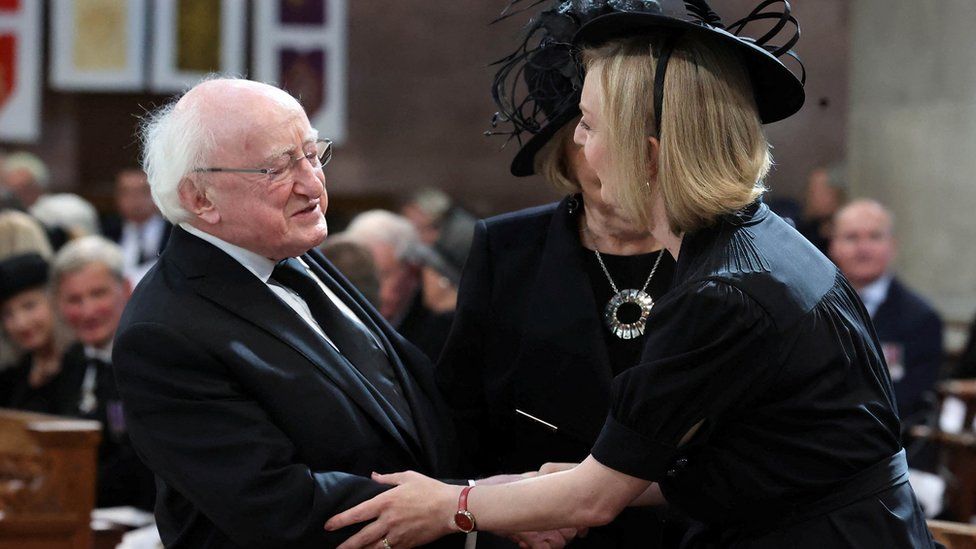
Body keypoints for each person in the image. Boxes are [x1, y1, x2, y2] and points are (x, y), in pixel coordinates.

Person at [324, 2, 938, 548]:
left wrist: (449, 506)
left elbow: (597, 499)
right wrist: (542, 485)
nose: (579, 147)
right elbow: (762, 456)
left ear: (648, 154)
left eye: (588, 125)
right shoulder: (750, 241)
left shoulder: (725, 290)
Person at [112, 77, 462, 548]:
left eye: (313, 155)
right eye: (278, 168)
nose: (311, 183)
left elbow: (405, 404)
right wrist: (466, 510)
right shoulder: (162, 332)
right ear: (200, 199)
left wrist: (506, 491)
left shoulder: (294, 249)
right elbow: (278, 505)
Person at [438, 1, 676, 546]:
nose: (605, 158)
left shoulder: (722, 255)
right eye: (589, 132)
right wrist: (503, 512)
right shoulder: (506, 247)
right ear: (565, 149)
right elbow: (461, 410)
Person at [51, 236, 156, 510]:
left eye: (98, 294)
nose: (87, 311)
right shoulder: (69, 363)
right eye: (74, 299)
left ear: (126, 289)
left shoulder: (151, 363)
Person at [829, 199, 943, 426]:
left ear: (892, 245)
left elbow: (908, 399)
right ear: (833, 245)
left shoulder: (920, 319)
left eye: (874, 237)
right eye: (852, 237)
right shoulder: (813, 308)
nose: (863, 248)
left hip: (889, 441)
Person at [342, 210, 456, 361]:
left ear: (412, 270)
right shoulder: (343, 320)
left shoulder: (444, 330)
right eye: (362, 277)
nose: (367, 289)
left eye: (383, 275)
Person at [0, 253, 73, 412]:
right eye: (7, 314)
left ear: (55, 300)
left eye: (29, 306)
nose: (20, 323)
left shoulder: (86, 362)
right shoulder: (12, 377)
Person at [101, 168, 172, 283]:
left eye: (143, 191)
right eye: (126, 192)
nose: (135, 199)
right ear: (117, 197)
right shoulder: (106, 231)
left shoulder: (174, 231)